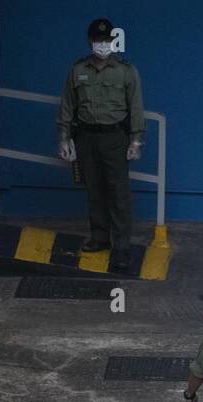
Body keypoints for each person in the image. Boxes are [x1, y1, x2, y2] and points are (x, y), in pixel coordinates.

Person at [57, 18, 145, 272]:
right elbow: (67, 105)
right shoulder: (77, 70)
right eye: (98, 40)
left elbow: (136, 107)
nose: (103, 45)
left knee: (118, 192)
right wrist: (64, 137)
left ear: (113, 42)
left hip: (115, 138)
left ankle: (122, 245)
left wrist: (136, 140)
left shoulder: (126, 71)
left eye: (107, 41)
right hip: (86, 137)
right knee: (93, 188)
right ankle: (99, 237)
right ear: (90, 41)